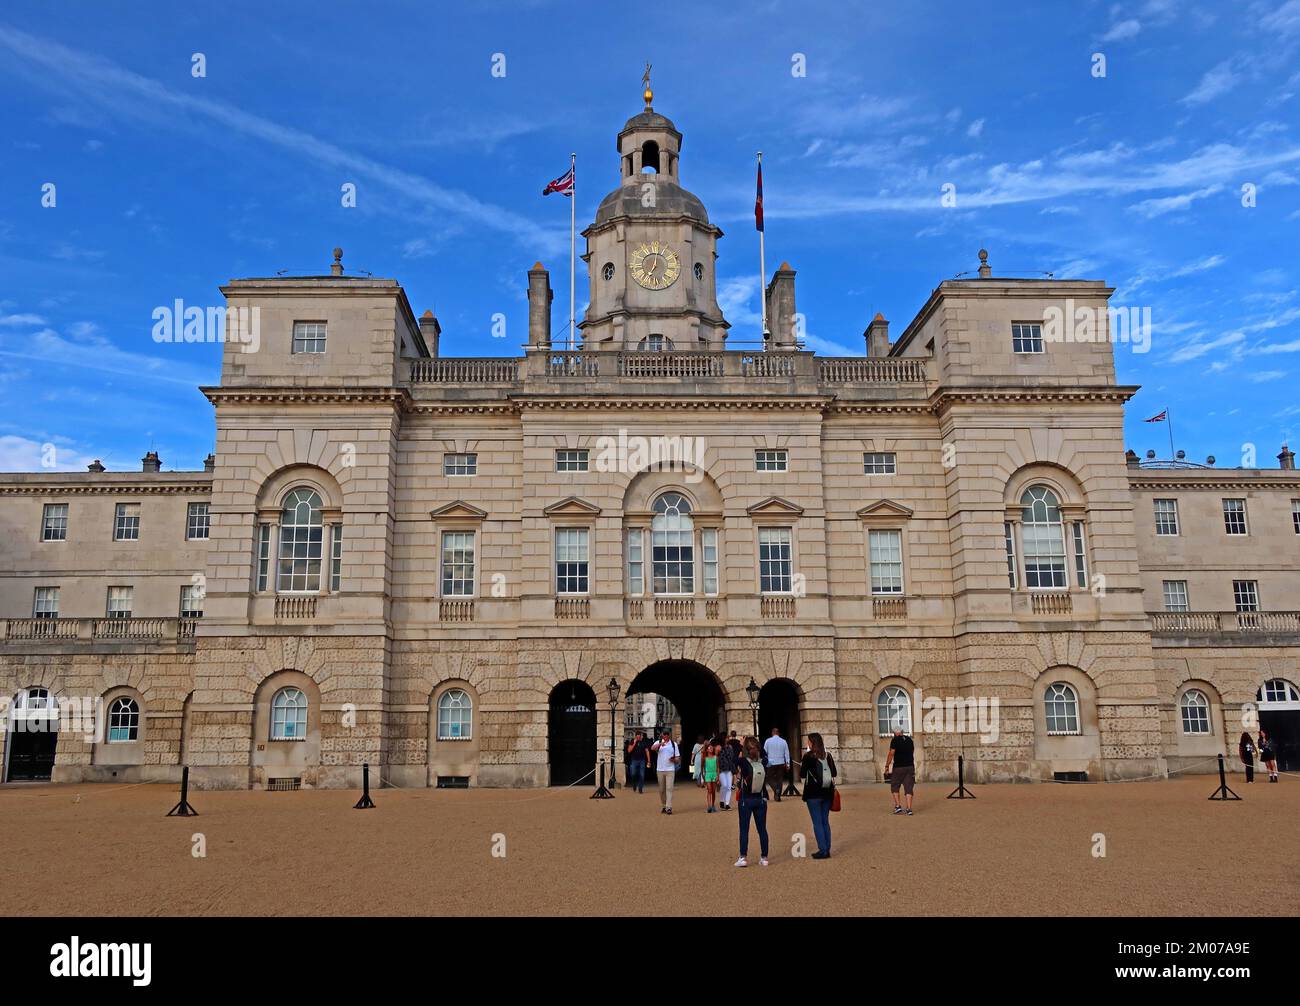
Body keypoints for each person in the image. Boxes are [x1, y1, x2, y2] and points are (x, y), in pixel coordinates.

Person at [800, 732, 837, 859]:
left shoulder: (808, 756)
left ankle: (823, 850)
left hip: (813, 793)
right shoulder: (828, 756)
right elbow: (834, 773)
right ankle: (827, 848)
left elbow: (802, 774)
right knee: (825, 821)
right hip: (827, 792)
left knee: (817, 822)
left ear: (811, 743)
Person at [734, 735, 770, 867]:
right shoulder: (764, 761)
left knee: (744, 829)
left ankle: (743, 857)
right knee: (762, 829)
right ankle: (764, 857)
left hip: (746, 799)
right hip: (760, 799)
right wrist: (757, 745)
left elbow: (733, 760)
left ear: (746, 749)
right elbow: (765, 753)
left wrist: (740, 745)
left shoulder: (743, 761)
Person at [885, 726, 916, 815]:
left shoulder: (895, 740)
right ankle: (909, 809)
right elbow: (912, 751)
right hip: (910, 766)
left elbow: (891, 754)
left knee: (894, 786)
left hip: (898, 767)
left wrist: (887, 766)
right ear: (902, 732)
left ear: (895, 733)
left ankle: (898, 806)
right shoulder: (910, 740)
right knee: (909, 788)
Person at [650, 730, 680, 813]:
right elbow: (652, 748)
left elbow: (678, 758)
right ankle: (664, 804)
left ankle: (669, 807)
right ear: (662, 735)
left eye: (667, 734)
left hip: (670, 769)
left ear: (669, 735)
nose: (666, 736)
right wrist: (660, 744)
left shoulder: (674, 744)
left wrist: (674, 760)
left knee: (669, 788)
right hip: (660, 769)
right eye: (664, 734)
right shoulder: (658, 742)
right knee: (661, 790)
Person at [763, 727, 791, 801]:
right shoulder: (783, 741)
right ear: (778, 733)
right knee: (780, 779)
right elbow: (787, 754)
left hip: (770, 761)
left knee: (769, 778)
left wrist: (764, 762)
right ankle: (777, 795)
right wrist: (788, 764)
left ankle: (776, 789)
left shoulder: (768, 741)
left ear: (772, 733)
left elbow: (764, 753)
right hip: (781, 762)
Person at [717, 732, 737, 810]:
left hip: (729, 768)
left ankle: (727, 804)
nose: (728, 739)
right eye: (726, 738)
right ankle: (722, 800)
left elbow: (732, 758)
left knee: (729, 787)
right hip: (722, 769)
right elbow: (716, 759)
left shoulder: (730, 747)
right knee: (724, 785)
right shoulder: (718, 747)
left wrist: (734, 770)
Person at [702, 742, 720, 812]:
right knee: (709, 790)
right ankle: (709, 806)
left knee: (713, 791)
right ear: (707, 750)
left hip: (714, 774)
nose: (711, 749)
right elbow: (703, 767)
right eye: (709, 748)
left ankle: (713, 805)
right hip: (708, 774)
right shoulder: (705, 758)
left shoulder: (716, 757)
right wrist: (703, 776)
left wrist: (718, 776)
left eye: (712, 748)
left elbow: (718, 767)